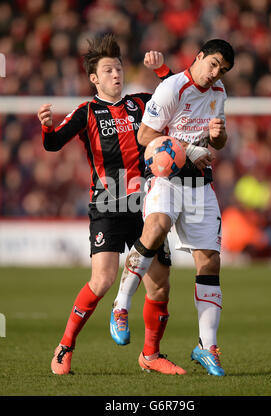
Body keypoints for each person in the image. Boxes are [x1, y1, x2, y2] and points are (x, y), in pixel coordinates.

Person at [38, 34, 186, 375]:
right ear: (94, 78)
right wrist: (47, 128)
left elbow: (178, 96)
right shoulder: (86, 111)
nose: (116, 74)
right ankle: (65, 347)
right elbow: (54, 143)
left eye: (118, 68)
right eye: (108, 70)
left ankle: (151, 354)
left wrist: (162, 69)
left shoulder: (142, 104)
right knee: (102, 280)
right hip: (107, 204)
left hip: (146, 205)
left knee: (160, 283)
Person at [117, 39, 235, 376]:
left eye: (222, 70)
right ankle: (121, 304)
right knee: (155, 229)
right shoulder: (172, 87)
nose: (215, 74)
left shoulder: (219, 93)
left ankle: (206, 345)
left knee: (210, 261)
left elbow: (218, 143)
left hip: (200, 184)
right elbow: (144, 136)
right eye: (212, 64)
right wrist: (187, 148)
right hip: (167, 179)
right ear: (198, 57)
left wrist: (217, 136)